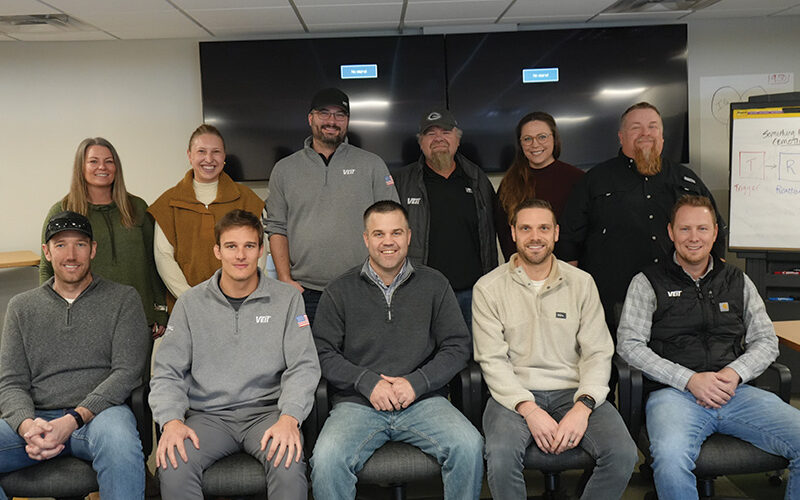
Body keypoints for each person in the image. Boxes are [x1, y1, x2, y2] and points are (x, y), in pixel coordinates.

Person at [617, 195, 800, 500]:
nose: (693, 238)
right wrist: (689, 379)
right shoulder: (647, 281)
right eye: (685, 229)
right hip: (673, 394)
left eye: (702, 229)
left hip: (736, 392)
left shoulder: (738, 281)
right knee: (671, 458)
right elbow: (629, 345)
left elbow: (766, 339)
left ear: (715, 232)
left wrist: (734, 373)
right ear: (671, 232)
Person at [310, 200, 483, 500]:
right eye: (378, 234)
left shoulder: (434, 284)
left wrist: (417, 382)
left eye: (396, 232)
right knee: (326, 460)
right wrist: (367, 382)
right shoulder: (339, 290)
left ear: (409, 236)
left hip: (423, 402)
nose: (388, 241)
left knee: (469, 446)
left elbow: (457, 346)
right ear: (366, 238)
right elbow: (322, 352)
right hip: (358, 404)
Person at [149, 209, 320, 500]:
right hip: (208, 417)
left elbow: (303, 365)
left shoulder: (287, 299)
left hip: (268, 414)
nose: (240, 255)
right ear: (217, 251)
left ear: (261, 251)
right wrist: (172, 421)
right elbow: (167, 371)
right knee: (174, 463)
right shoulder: (191, 303)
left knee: (288, 462)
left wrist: (290, 417)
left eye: (249, 246)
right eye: (231, 246)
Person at [473, 198, 637, 500]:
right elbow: (492, 360)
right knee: (500, 455)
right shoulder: (488, 287)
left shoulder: (582, 283)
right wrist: (529, 409)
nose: (535, 237)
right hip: (513, 397)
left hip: (573, 391)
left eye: (543, 228)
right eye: (526, 228)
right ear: (513, 233)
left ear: (556, 233)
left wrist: (583, 405)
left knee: (623, 454)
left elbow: (598, 352)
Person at [0, 211, 149, 500]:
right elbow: (11, 382)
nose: (71, 254)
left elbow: (127, 372)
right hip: (37, 421)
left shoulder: (123, 299)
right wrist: (27, 425)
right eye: (60, 245)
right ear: (46, 251)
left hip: (100, 417)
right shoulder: (21, 308)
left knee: (121, 444)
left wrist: (71, 421)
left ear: (93, 249)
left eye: (80, 244)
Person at [558, 102, 727, 334]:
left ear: (662, 136)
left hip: (678, 305)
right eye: (636, 127)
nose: (646, 133)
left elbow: (716, 234)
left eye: (653, 126)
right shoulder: (594, 181)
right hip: (612, 305)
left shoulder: (687, 180)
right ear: (621, 136)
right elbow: (569, 243)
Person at [265, 88, 399, 323]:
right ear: (311, 118)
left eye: (340, 115)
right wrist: (285, 279)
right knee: (311, 360)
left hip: (363, 288)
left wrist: (386, 276)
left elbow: (393, 224)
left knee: (364, 359)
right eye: (324, 113)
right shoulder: (284, 170)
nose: (332, 121)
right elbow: (277, 228)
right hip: (305, 293)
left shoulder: (372, 165)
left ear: (347, 121)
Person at [39, 137, 167, 334]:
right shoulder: (63, 210)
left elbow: (154, 263)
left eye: (109, 161)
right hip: (84, 317)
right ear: (81, 167)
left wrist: (159, 310)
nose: (102, 167)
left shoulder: (138, 208)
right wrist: (53, 312)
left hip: (137, 316)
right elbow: (47, 269)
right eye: (93, 161)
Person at [394, 108, 497, 328]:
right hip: (422, 293)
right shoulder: (401, 182)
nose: (438, 138)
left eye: (446, 132)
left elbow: (494, 232)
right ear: (420, 142)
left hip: (473, 294)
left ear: (457, 140)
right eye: (430, 134)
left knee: (473, 357)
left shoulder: (478, 179)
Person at [148, 124, 265, 310]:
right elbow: (163, 258)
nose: (209, 159)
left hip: (241, 304)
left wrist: (242, 295)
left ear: (224, 156)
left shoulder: (248, 200)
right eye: (201, 151)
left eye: (216, 152)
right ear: (190, 155)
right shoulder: (168, 203)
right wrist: (193, 299)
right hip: (187, 305)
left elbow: (259, 253)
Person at [495, 112, 584, 260]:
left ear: (554, 139)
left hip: (568, 271)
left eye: (542, 137)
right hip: (522, 272)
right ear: (520, 143)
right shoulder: (509, 182)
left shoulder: (578, 179)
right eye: (527, 139)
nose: (535, 144)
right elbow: (504, 234)